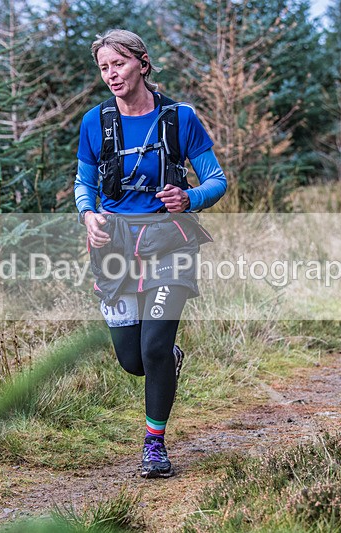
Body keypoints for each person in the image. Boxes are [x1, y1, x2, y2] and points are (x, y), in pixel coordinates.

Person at [75, 29, 227, 479]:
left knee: (155, 347)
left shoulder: (180, 119)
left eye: (118, 64)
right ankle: (166, 360)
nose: (111, 75)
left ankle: (154, 445)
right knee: (132, 360)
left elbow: (216, 179)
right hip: (114, 246)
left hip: (170, 242)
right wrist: (88, 215)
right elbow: (84, 183)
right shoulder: (94, 122)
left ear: (142, 62)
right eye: (103, 68)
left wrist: (190, 197)